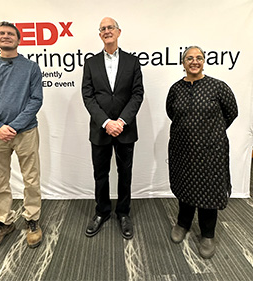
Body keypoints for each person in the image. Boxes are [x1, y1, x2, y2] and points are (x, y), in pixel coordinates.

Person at [0, 21, 43, 256]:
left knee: (31, 179)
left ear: (18, 39)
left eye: (10, 34)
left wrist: (12, 126)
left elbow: (36, 100)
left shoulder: (31, 68)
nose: (6, 36)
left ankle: (32, 219)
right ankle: (4, 222)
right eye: (1, 33)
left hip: (25, 132)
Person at [166, 46, 238, 259]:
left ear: (204, 61)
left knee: (209, 189)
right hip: (182, 148)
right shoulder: (175, 89)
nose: (194, 61)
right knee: (186, 185)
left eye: (198, 58)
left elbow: (231, 112)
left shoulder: (218, 87)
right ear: (183, 63)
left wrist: (210, 132)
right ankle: (183, 223)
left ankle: (208, 234)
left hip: (211, 151)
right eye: (189, 58)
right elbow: (172, 112)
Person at [82, 17, 144, 239]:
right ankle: (102, 211)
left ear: (119, 32)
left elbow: (137, 94)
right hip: (100, 129)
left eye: (111, 28)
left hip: (126, 129)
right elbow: (88, 97)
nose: (107, 31)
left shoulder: (132, 62)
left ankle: (123, 213)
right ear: (100, 35)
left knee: (125, 173)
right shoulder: (90, 63)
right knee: (101, 173)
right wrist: (107, 122)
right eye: (103, 29)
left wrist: (121, 121)